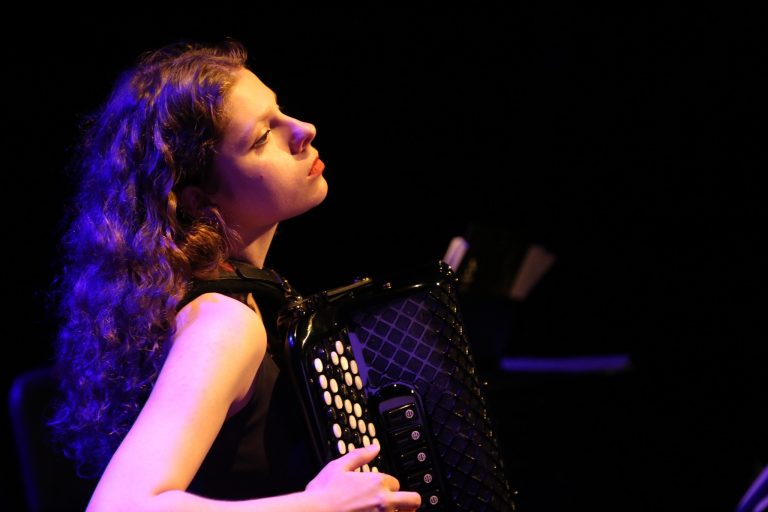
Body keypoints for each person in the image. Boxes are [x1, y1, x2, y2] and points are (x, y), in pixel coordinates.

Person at [48, 38, 421, 512]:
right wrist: (322, 506)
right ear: (199, 200)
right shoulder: (224, 325)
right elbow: (119, 506)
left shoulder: (217, 300)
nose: (304, 129)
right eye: (262, 137)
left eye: (280, 111)